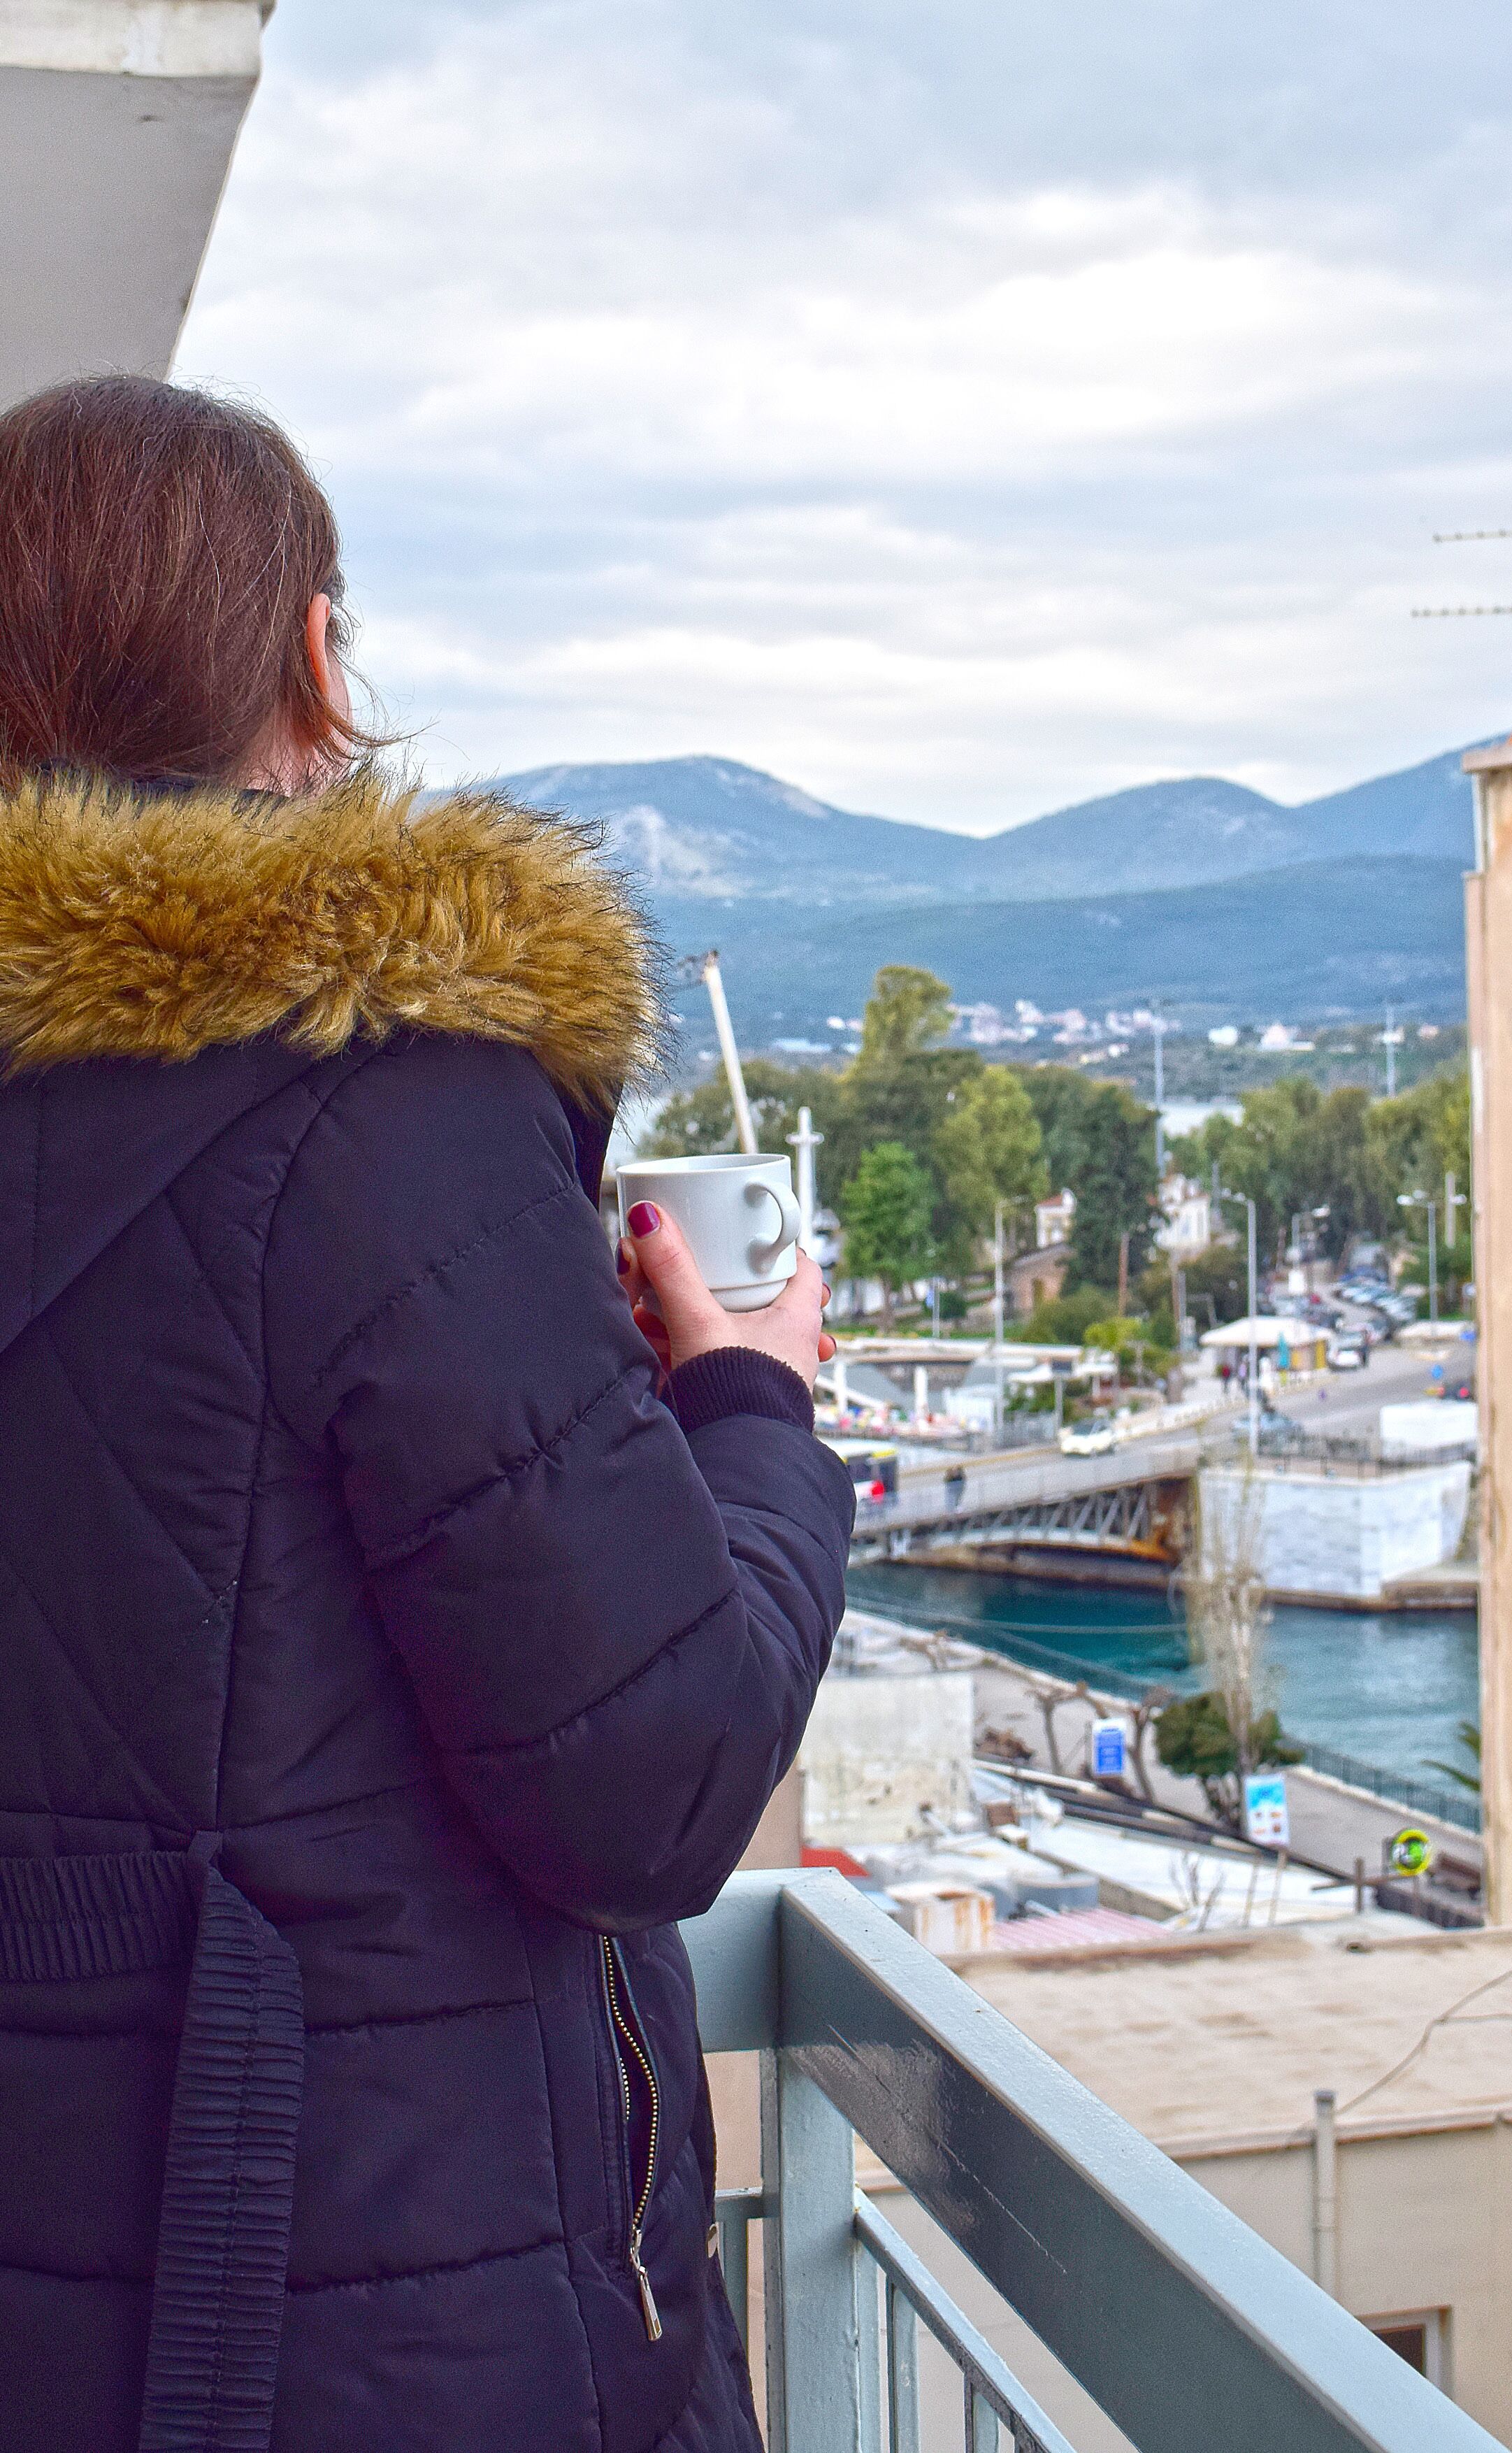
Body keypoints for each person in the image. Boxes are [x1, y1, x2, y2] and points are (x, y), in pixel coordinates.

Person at [0, 376, 853, 2453]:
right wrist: (749, 1405)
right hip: (374, 2298)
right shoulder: (390, 1103)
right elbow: (652, 1778)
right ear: (312, 661)